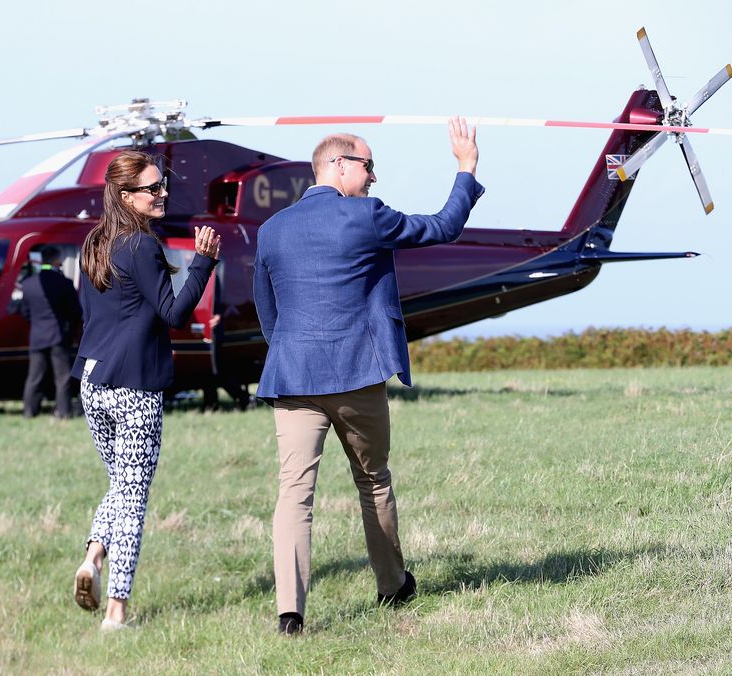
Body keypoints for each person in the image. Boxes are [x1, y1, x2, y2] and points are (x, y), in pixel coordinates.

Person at [252, 118, 483, 635]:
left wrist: (292, 355)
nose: (374, 177)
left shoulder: (270, 230)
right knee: (373, 480)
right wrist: (465, 168)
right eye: (368, 165)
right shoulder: (365, 217)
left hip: (292, 378)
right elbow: (442, 227)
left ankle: (290, 611)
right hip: (357, 373)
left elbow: (269, 313)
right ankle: (392, 584)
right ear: (338, 165)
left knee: (294, 493)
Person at [70, 150, 220, 631]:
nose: (162, 194)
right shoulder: (140, 246)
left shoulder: (94, 242)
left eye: (162, 186)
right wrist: (203, 263)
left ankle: (92, 557)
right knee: (133, 497)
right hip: (134, 386)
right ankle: (116, 610)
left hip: (93, 383)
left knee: (121, 484)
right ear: (124, 195)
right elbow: (173, 314)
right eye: (152, 189)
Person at [20, 246, 82, 419]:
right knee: (62, 377)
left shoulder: (28, 284)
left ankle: (29, 411)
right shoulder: (64, 282)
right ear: (57, 260)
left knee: (34, 377)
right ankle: (63, 411)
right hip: (58, 335)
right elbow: (75, 311)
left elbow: (24, 311)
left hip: (37, 335)